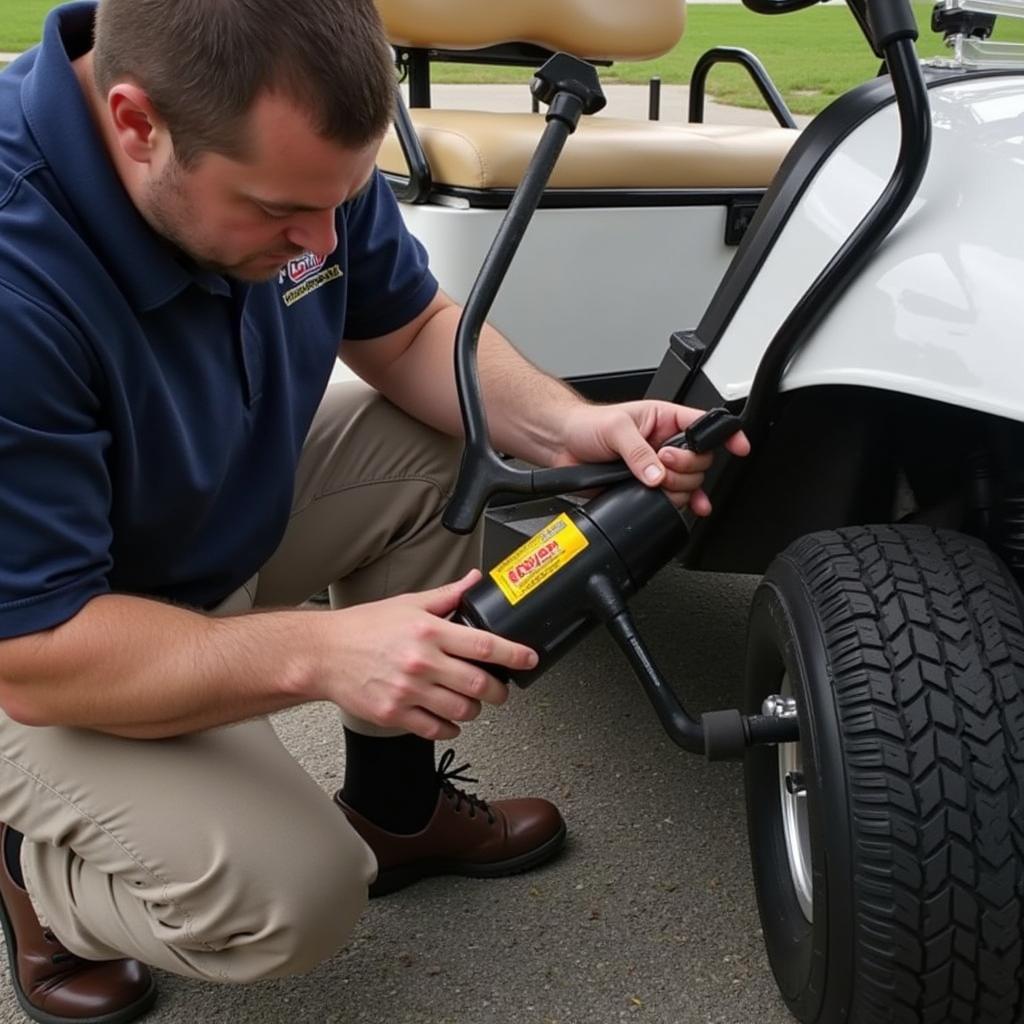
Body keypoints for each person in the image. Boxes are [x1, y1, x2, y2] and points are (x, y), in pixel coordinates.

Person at [0, 1, 750, 1021]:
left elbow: (403, 331)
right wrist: (318, 649)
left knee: (457, 444)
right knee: (289, 899)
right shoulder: (15, 273)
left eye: (341, 200)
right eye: (277, 212)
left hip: (180, 529)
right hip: (42, 642)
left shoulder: (290, 151)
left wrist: (572, 430)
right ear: (136, 124)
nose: (319, 239)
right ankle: (40, 870)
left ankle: (397, 810)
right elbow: (37, 651)